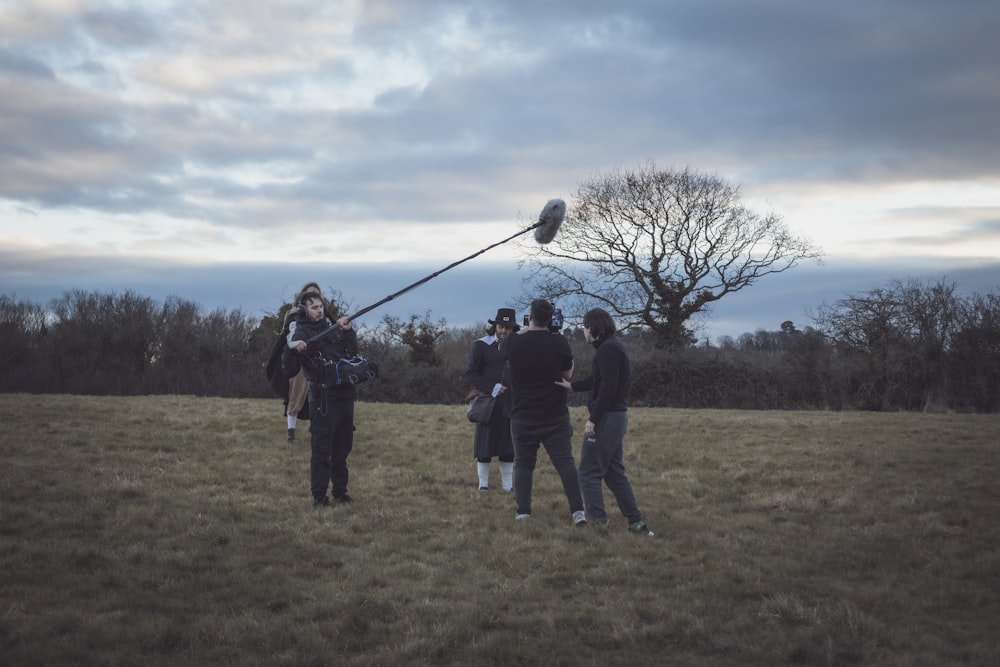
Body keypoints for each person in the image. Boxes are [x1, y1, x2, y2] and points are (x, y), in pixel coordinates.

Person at [555, 307, 653, 536]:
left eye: (585, 326)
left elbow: (608, 387)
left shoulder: (608, 350)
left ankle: (599, 525)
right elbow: (600, 379)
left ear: (592, 327)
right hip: (616, 417)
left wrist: (593, 419)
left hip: (608, 418)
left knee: (588, 472)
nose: (583, 331)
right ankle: (636, 524)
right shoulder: (612, 346)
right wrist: (573, 385)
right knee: (613, 472)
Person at [500, 298, 586, 526]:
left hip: (522, 414)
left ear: (530, 316)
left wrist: (522, 332)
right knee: (566, 464)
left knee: (525, 465)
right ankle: (578, 512)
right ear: (552, 319)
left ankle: (523, 511)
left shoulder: (513, 343)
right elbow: (568, 375)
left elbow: (504, 350)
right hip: (554, 414)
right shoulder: (559, 342)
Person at [281, 292, 359, 508]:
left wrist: (349, 331)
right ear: (304, 309)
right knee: (322, 450)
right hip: (323, 399)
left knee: (342, 449)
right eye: (314, 307)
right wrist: (293, 349)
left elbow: (352, 353)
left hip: (345, 395)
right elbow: (288, 368)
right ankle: (319, 497)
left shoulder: (332, 328)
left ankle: (341, 492)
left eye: (321, 306)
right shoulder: (299, 331)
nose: (319, 310)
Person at [465, 308, 519, 492]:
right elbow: (471, 373)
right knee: (484, 446)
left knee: (508, 447)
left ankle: (508, 486)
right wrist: (492, 387)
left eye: (508, 328)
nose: (503, 331)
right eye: (501, 326)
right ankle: (483, 485)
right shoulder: (481, 345)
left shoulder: (518, 346)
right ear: (495, 326)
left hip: (512, 402)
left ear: (513, 329)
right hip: (488, 403)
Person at [265, 281, 326, 444]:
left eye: (317, 294)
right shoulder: (294, 315)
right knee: (297, 394)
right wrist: (295, 347)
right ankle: (291, 431)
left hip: (319, 361)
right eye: (310, 294)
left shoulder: (322, 315)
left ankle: (319, 430)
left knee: (321, 396)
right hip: (300, 361)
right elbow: (289, 335)